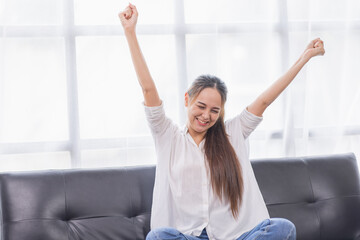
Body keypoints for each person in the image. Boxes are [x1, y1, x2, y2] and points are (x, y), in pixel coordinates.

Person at [119, 3, 325, 240]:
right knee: (157, 237)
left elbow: (265, 100)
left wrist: (304, 57)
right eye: (201, 106)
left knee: (283, 228)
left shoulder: (233, 133)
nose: (206, 116)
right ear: (187, 99)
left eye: (214, 110)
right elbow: (147, 89)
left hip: (234, 236)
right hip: (188, 236)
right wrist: (130, 32)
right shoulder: (168, 136)